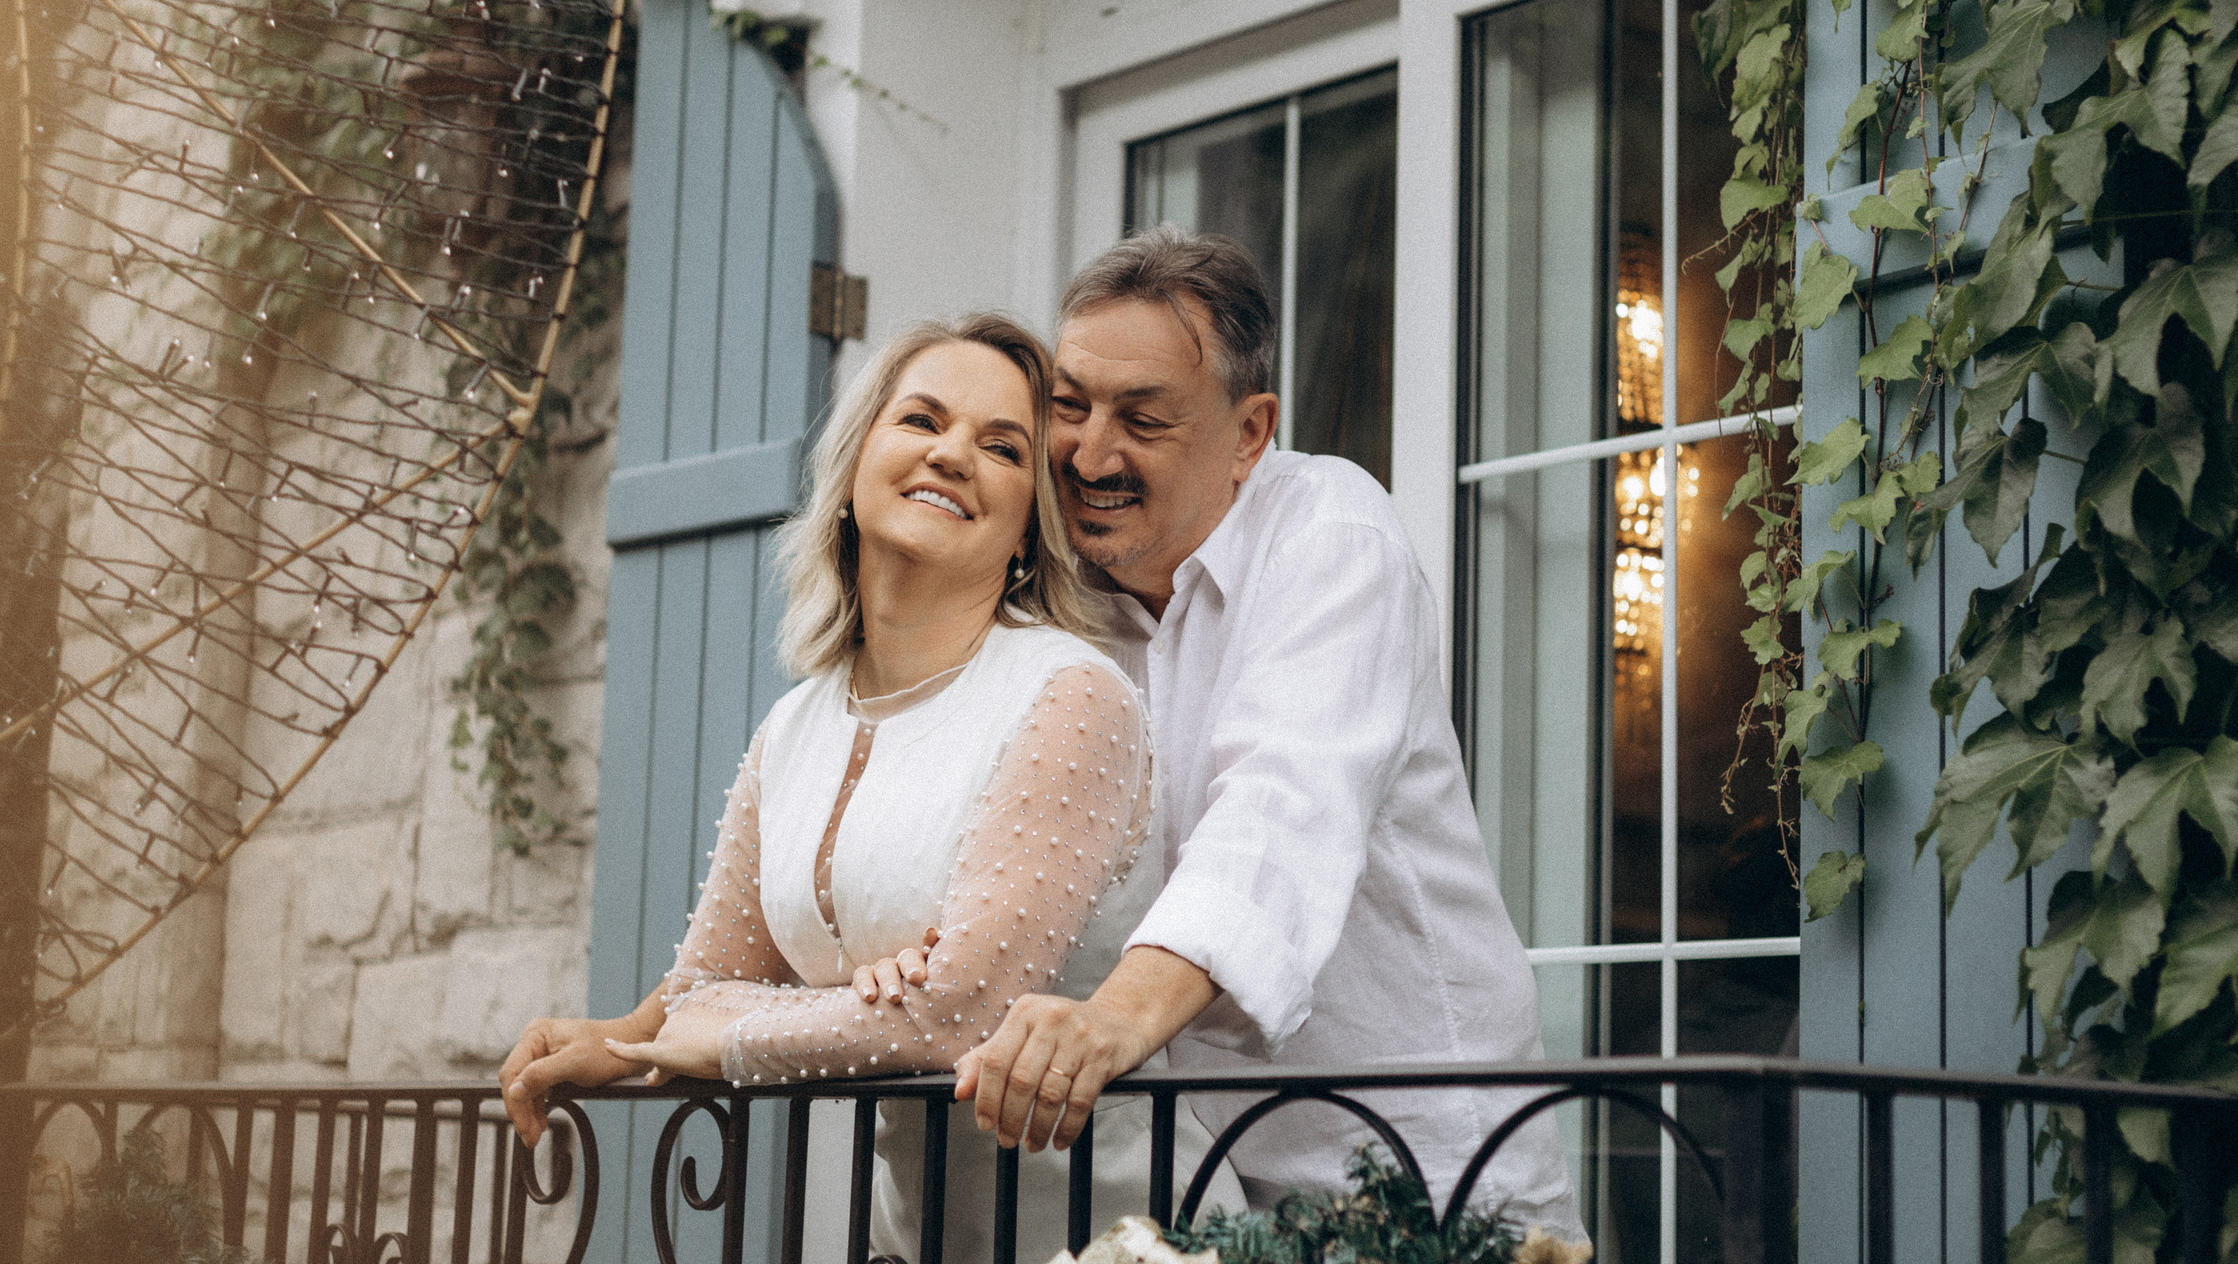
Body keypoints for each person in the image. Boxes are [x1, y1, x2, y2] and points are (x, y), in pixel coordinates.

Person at [863, 228, 1581, 1235]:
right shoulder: (1056, 616)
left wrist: (1109, 1022)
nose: (1089, 453)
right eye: (1068, 406)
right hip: (1209, 1198)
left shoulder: (1331, 537)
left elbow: (1279, 815)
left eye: (1142, 420)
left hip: (1431, 1177)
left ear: (1250, 435)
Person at [498, 313, 1233, 1264]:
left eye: (1003, 446)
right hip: (910, 1243)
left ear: (1026, 531)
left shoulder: (1069, 694)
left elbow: (958, 1013)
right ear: (853, 470)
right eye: (922, 420)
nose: (955, 453)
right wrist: (619, 1039)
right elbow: (701, 991)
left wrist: (720, 1033)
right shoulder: (792, 730)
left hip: (1120, 1239)